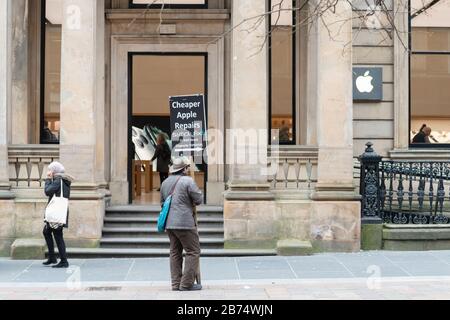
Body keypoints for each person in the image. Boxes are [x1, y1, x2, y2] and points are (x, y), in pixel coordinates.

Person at [161, 157, 203, 291]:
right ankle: (186, 284)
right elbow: (199, 199)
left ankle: (175, 284)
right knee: (193, 251)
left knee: (175, 252)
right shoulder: (188, 181)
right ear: (184, 169)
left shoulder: (165, 182)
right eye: (187, 167)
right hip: (185, 223)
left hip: (169, 223)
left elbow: (162, 203)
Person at [42, 161, 73, 268]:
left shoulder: (58, 181)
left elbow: (47, 191)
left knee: (58, 235)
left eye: (50, 170)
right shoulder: (64, 181)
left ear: (54, 171)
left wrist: (48, 180)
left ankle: (64, 261)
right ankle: (52, 257)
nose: (48, 171)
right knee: (46, 231)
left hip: (56, 213)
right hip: (60, 211)